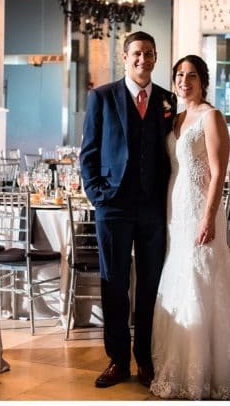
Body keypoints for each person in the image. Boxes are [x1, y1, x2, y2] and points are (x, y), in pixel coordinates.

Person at [150, 54, 230, 399]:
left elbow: (219, 172)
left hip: (200, 208)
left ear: (203, 81)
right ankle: (181, 358)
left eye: (191, 75)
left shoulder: (210, 116)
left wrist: (208, 216)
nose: (183, 81)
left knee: (202, 277)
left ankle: (207, 367)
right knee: (178, 275)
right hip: (175, 208)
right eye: (179, 75)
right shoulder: (174, 119)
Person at [79, 31, 175, 388]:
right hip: (113, 206)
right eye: (137, 53)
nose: (142, 59)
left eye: (149, 53)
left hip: (152, 208)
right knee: (114, 284)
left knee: (150, 284)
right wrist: (98, 195)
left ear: (155, 57)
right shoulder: (102, 97)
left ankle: (145, 358)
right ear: (125, 57)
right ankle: (117, 359)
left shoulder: (168, 100)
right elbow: (88, 152)